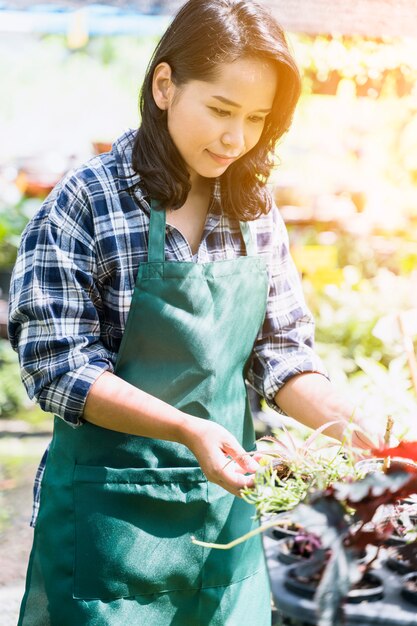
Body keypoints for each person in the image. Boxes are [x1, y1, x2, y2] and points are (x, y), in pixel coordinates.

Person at [8, 1, 372, 624]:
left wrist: (354, 434)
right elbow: (58, 365)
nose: (237, 139)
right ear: (165, 85)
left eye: (258, 119)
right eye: (221, 111)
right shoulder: (87, 201)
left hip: (224, 524)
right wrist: (188, 429)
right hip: (106, 525)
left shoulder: (253, 209)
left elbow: (281, 353)